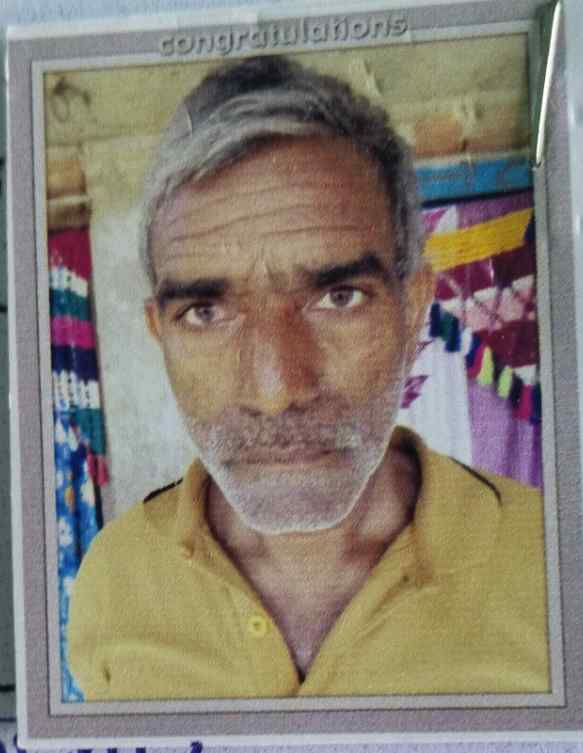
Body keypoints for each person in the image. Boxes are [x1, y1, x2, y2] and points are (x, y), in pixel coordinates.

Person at [68, 55, 549, 701]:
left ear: (413, 310)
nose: (276, 391)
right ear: (161, 333)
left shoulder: (550, 563)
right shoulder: (113, 578)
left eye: (338, 297)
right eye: (206, 311)